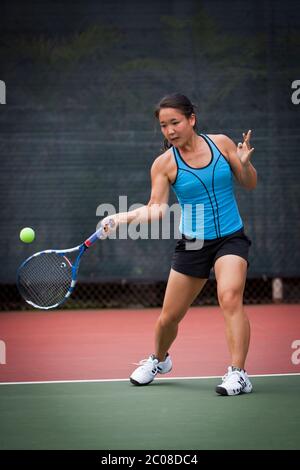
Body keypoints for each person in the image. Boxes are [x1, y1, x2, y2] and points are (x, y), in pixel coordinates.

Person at [102, 93, 257, 396]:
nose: (170, 130)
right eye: (163, 126)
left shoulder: (222, 144)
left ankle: (239, 374)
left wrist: (244, 164)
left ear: (191, 120)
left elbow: (249, 183)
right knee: (169, 317)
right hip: (193, 242)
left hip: (230, 237)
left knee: (230, 296)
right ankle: (159, 360)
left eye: (175, 122)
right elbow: (156, 208)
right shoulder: (163, 164)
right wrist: (121, 217)